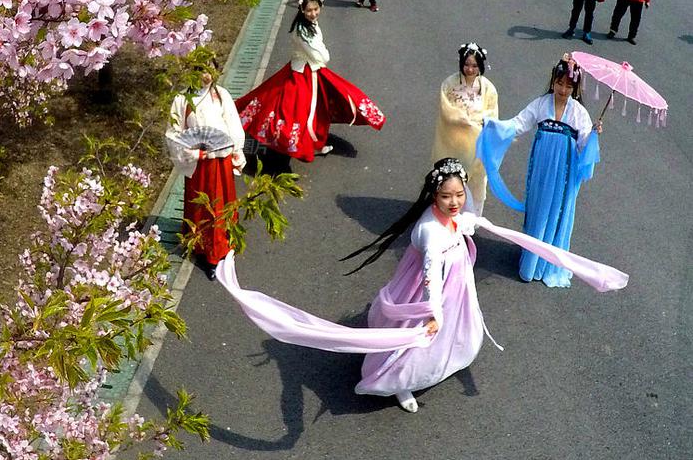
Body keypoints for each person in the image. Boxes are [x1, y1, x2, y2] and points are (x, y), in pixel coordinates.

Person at [216, 158, 628, 413]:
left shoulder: (454, 218)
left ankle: (432, 364)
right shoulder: (430, 230)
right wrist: (432, 311)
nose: (455, 201)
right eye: (447, 195)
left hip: (454, 289)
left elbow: (466, 227)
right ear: (433, 195)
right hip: (423, 295)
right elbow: (430, 270)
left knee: (455, 337)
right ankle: (400, 384)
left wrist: (474, 223)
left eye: (459, 194)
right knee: (412, 343)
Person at [477, 55, 602, 288]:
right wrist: (492, 125)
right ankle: (531, 259)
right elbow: (519, 123)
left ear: (575, 88)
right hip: (542, 167)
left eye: (568, 85)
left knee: (556, 210)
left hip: (564, 171)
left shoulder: (579, 113)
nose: (563, 89)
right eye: (559, 83)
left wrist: (594, 134)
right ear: (553, 81)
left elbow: (584, 144)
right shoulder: (540, 104)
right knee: (538, 207)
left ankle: (547, 263)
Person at [236, 0, 386, 162]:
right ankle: (301, 144)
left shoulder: (307, 25)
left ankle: (314, 142)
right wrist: (324, 54)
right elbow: (321, 56)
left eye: (315, 9)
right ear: (301, 9)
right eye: (309, 10)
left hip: (309, 71)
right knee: (301, 110)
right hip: (304, 73)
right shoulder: (302, 31)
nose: (313, 13)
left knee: (310, 108)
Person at [166, 60, 246, 280]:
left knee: (223, 203)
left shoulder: (221, 94)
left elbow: (232, 122)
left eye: (210, 69)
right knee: (204, 207)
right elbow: (174, 133)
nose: (206, 75)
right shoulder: (182, 99)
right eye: (201, 69)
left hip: (221, 159)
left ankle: (224, 242)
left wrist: (236, 149)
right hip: (201, 163)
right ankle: (207, 252)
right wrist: (193, 153)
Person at [431, 44, 499, 214]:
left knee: (475, 179)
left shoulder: (488, 88)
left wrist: (475, 122)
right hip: (453, 139)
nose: (470, 69)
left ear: (481, 66)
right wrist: (460, 119)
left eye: (475, 65)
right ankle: (448, 213)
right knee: (452, 177)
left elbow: (492, 114)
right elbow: (445, 108)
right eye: (467, 64)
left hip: (477, 140)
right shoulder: (449, 84)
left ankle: (471, 218)